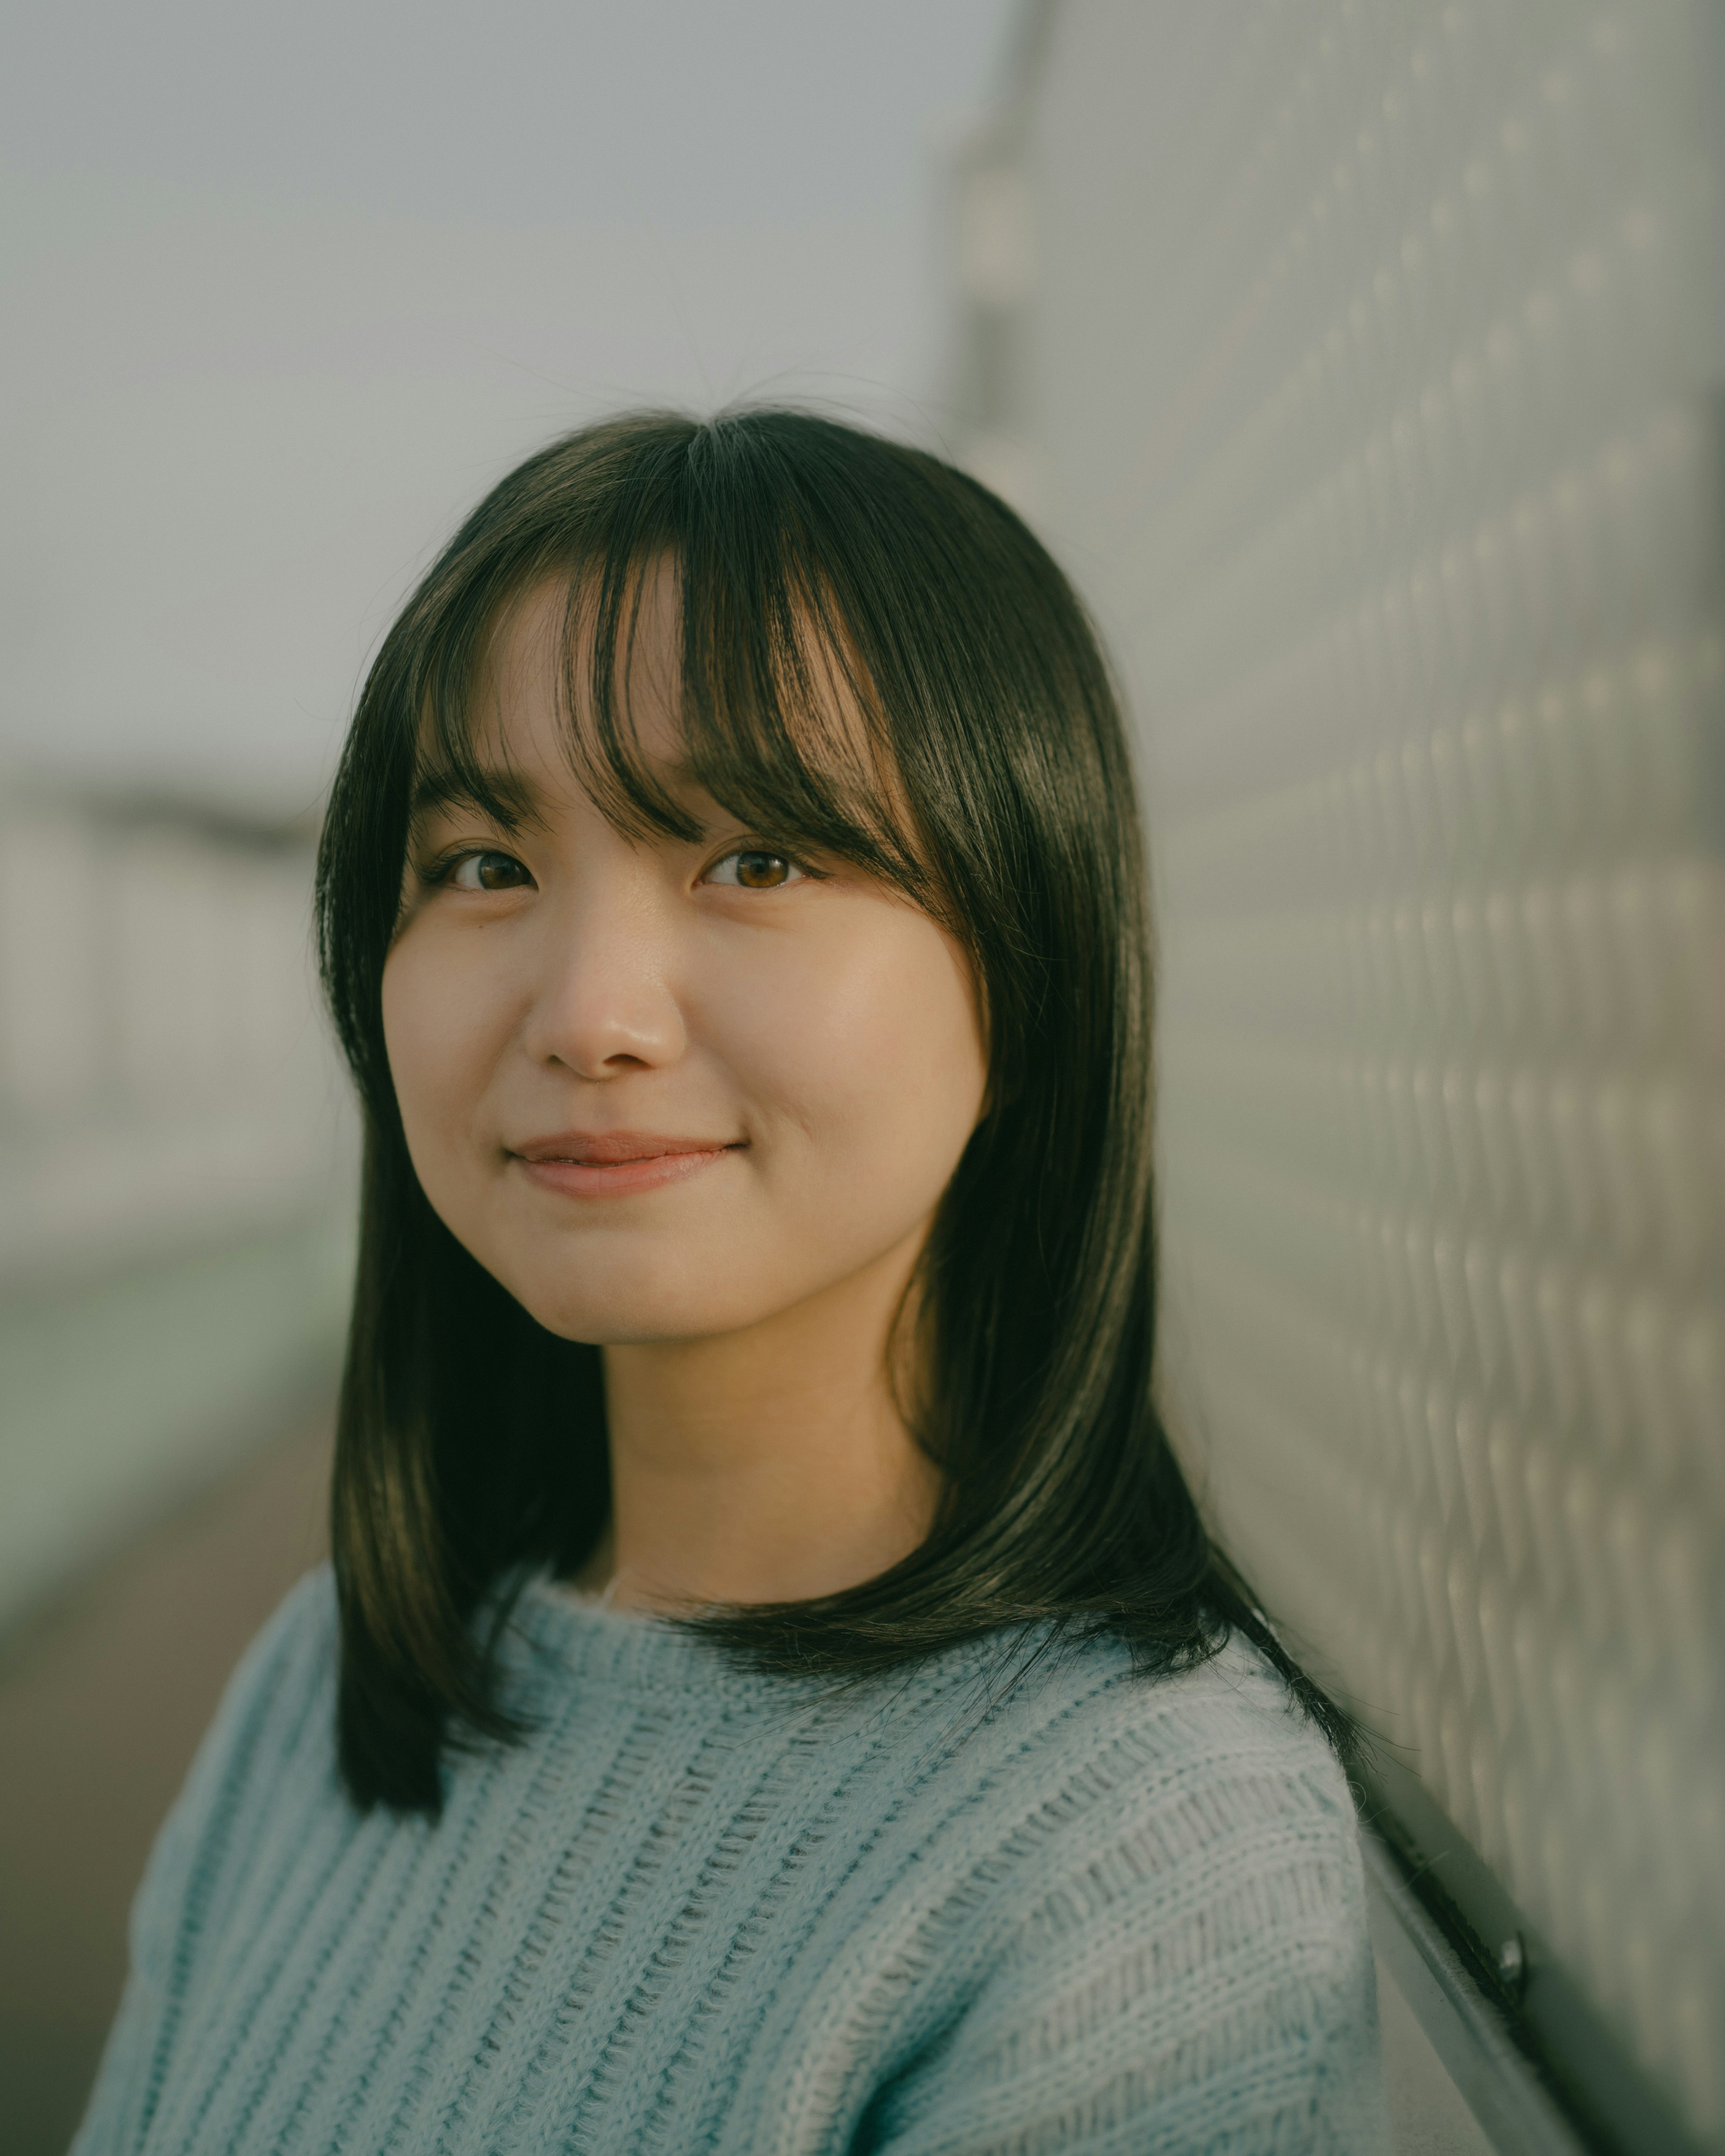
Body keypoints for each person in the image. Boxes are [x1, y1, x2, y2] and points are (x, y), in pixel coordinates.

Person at [74, 410, 1387, 2154]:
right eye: (485, 866)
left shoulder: (1141, 1860)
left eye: (755, 859)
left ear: (1030, 945)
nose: (587, 1015)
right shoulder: (327, 1688)